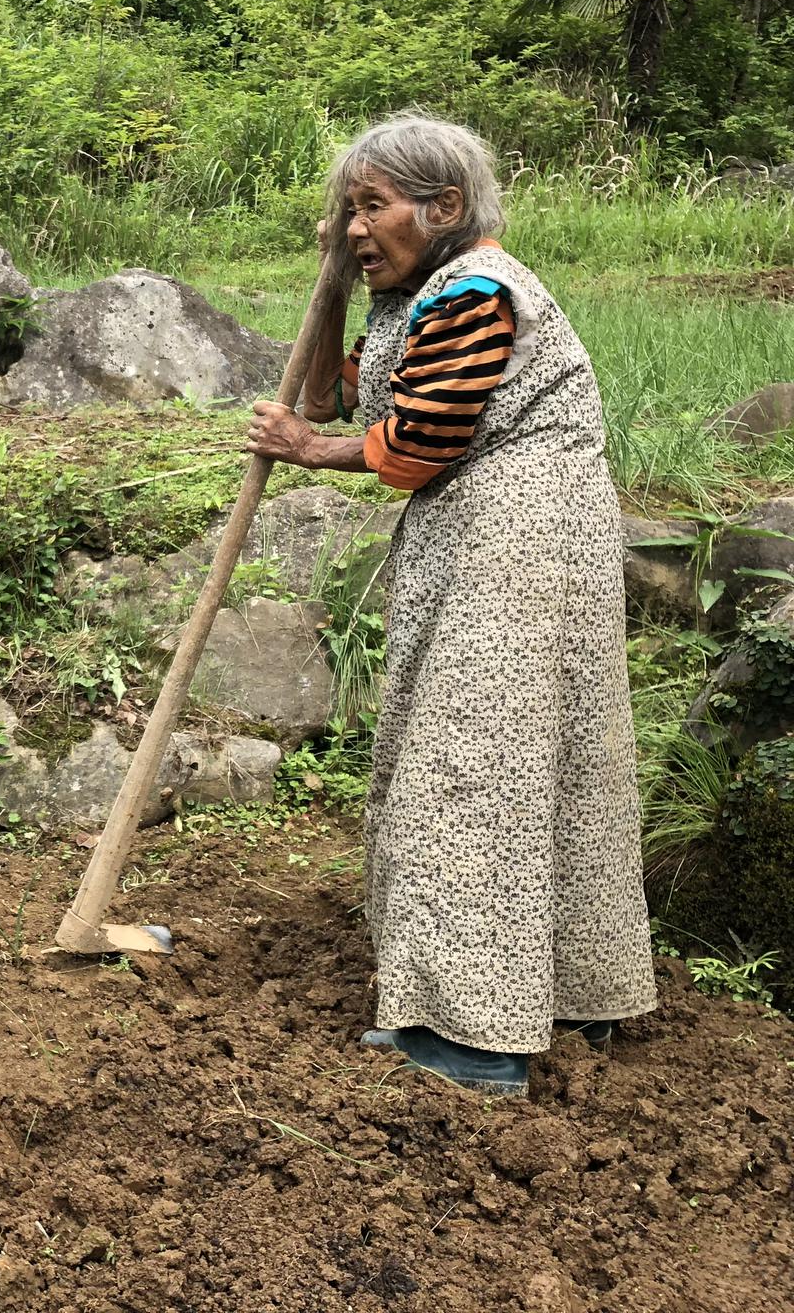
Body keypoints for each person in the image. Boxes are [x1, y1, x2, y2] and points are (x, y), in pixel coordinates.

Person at [245, 114, 656, 1098]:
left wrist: (306, 454)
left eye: (372, 206)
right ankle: (567, 993)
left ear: (444, 208)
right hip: (494, 539)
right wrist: (334, 282)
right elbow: (336, 395)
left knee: (466, 767)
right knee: (533, 757)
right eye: (347, 208)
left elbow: (411, 446)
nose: (354, 226)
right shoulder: (416, 291)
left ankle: (471, 1037)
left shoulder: (477, 291)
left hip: (519, 543)